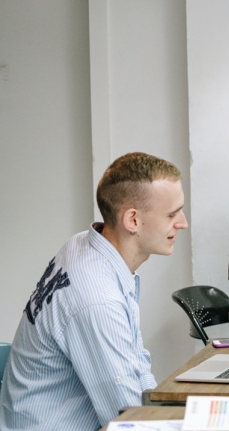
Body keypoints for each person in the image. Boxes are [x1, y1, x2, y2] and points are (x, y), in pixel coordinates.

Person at [0, 152, 188, 431]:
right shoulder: (97, 300)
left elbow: (135, 365)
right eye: (172, 214)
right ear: (133, 220)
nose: (182, 222)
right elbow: (129, 422)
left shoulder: (85, 245)